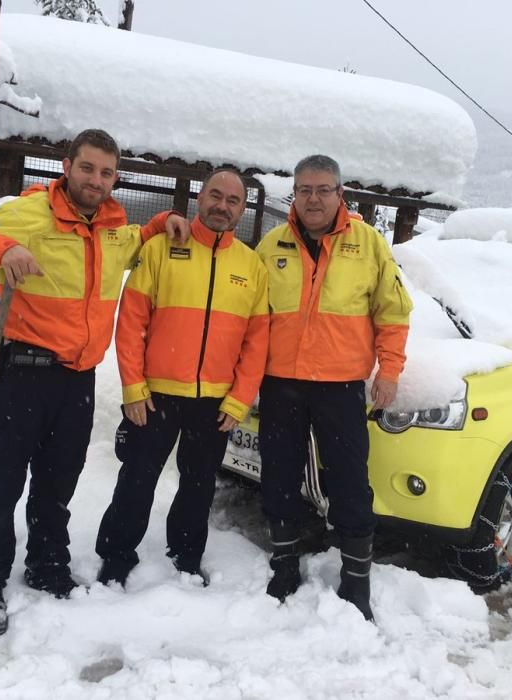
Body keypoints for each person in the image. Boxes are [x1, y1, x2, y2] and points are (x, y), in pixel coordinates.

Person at [0, 128, 185, 636]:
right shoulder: (29, 213)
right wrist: (1, 248)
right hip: (21, 373)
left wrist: (163, 221)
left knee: (58, 481)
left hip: (77, 380)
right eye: (88, 168)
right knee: (3, 480)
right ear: (67, 166)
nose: (96, 180)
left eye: (107, 172)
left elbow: (138, 243)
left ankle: (47, 564)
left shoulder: (116, 228)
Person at [254, 154, 412, 621]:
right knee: (278, 474)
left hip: (340, 387)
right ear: (294, 196)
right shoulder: (271, 245)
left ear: (340, 194)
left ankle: (356, 579)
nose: (314, 199)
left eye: (324, 190)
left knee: (349, 481)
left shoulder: (367, 245)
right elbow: (248, 314)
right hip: (281, 383)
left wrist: (390, 370)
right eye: (305, 190)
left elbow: (393, 312)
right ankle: (284, 564)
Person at [95, 168, 269, 588]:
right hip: (155, 396)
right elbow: (131, 324)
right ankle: (116, 556)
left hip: (215, 402)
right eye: (215, 195)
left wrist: (239, 399)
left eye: (233, 201)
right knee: (136, 481)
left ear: (242, 210)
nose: (222, 206)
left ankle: (186, 557)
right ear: (199, 197)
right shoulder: (160, 249)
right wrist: (134, 388)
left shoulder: (251, 266)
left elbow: (256, 341)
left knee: (198, 486)